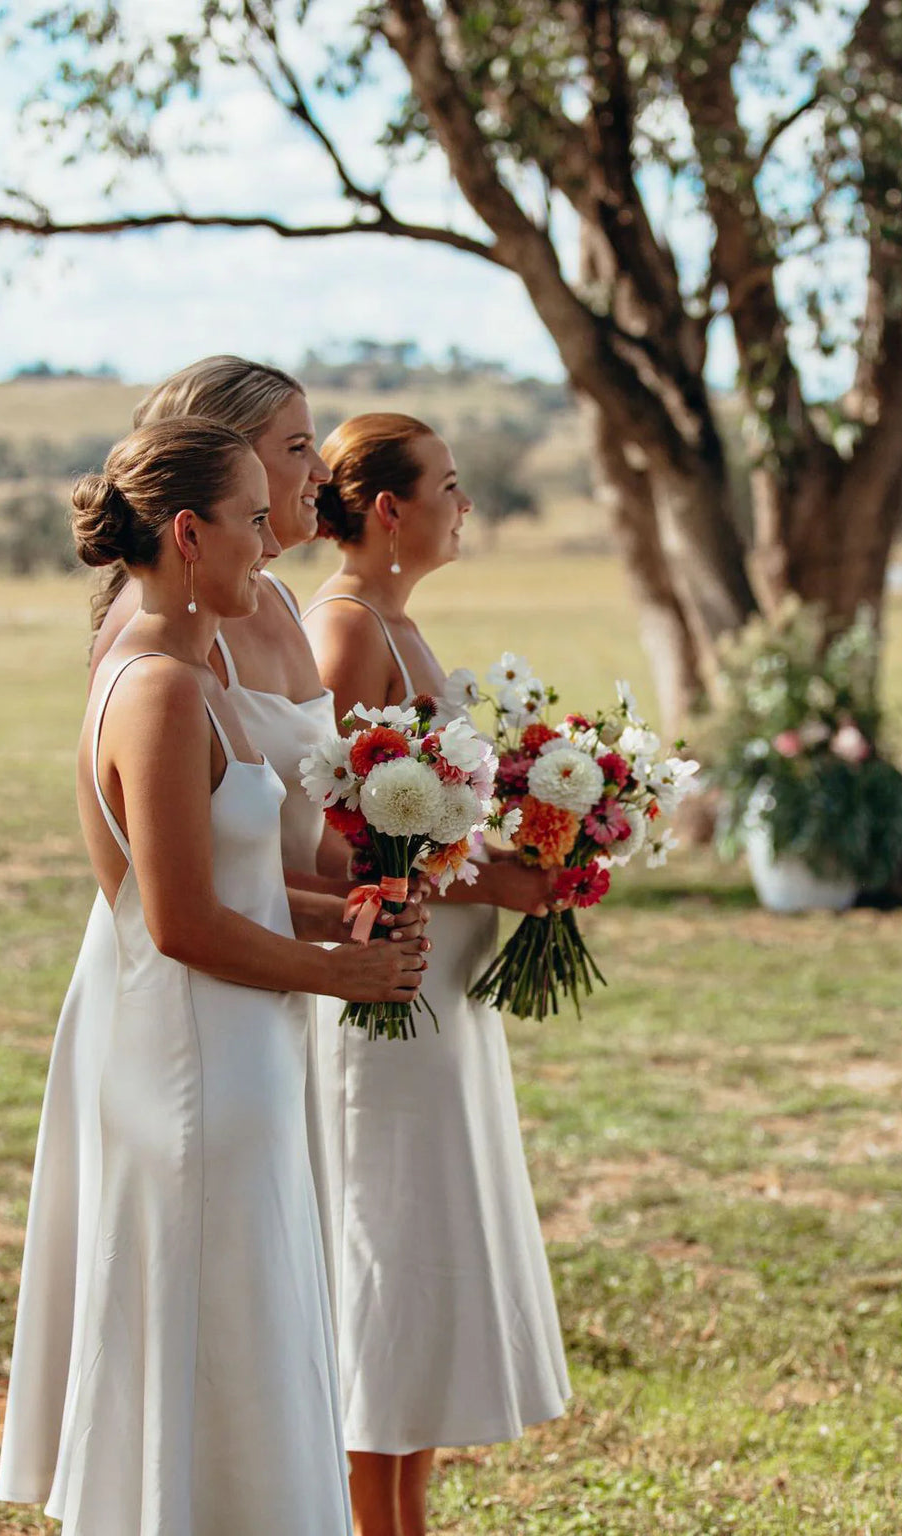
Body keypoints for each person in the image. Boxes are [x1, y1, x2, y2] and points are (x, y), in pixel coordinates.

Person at [0, 418, 426, 1535]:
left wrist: (353, 910)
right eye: (248, 520)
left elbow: (225, 886)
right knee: (214, 1347)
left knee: (245, 1341)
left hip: (236, 1054)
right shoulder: (159, 690)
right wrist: (344, 972)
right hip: (194, 1067)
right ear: (188, 533)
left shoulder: (179, 674)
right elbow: (180, 923)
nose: (269, 541)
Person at [302, 413, 571, 1536]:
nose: (466, 505)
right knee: (385, 1256)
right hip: (388, 992)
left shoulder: (403, 627)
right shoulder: (345, 632)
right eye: (449, 488)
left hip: (444, 985)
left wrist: (539, 848)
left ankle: (408, 1520)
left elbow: (429, 824)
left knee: (420, 1258)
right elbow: (329, 844)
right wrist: (485, 884)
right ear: (389, 509)